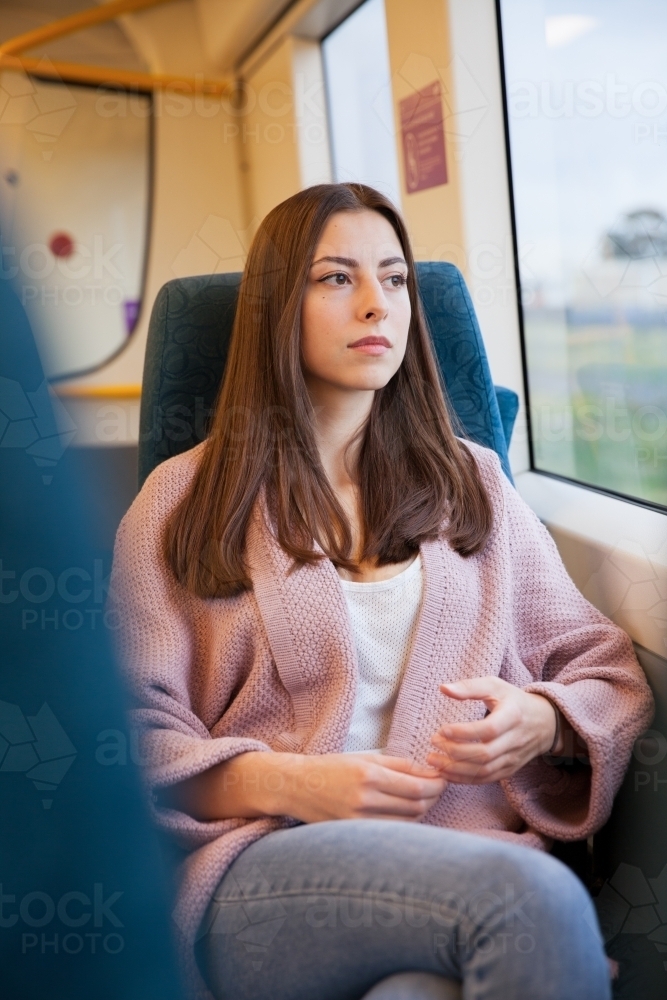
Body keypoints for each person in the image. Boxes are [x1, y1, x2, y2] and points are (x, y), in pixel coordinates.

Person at [110, 183, 654, 1000]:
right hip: (264, 868)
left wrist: (540, 722)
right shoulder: (181, 500)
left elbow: (605, 670)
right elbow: (126, 736)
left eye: (394, 279)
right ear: (272, 309)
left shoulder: (469, 480)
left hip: (467, 858)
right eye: (336, 279)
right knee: (530, 904)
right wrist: (291, 781)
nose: (377, 305)